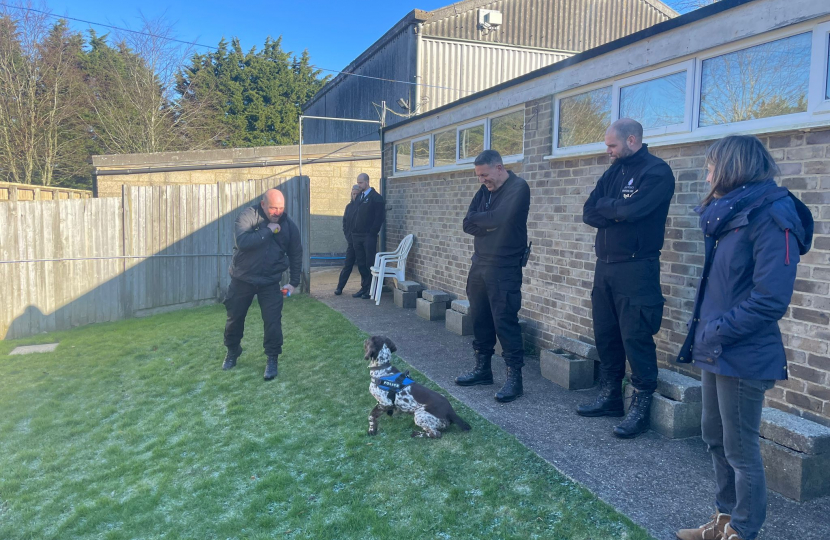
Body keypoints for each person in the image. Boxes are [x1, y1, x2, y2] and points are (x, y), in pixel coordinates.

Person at [675, 136, 812, 540]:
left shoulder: (772, 215)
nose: (707, 175)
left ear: (733, 167)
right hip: (715, 348)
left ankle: (744, 531)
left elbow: (770, 299)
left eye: (711, 166)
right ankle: (723, 521)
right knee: (714, 438)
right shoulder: (732, 216)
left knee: (740, 449)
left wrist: (715, 331)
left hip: (743, 351)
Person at [578, 118, 676, 438]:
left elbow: (638, 210)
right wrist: (617, 208)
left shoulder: (656, 172)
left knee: (636, 337)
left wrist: (615, 209)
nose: (608, 151)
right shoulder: (613, 172)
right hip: (604, 267)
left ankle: (640, 408)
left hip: (637, 269)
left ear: (631, 140)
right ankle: (610, 397)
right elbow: (589, 211)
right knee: (606, 335)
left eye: (612, 145)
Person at [455, 149, 531, 403]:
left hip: (505, 266)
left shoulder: (518, 188)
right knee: (479, 318)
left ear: (499, 168)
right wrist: (490, 223)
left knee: (505, 321)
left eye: (484, 174)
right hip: (480, 265)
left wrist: (487, 221)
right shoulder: (484, 191)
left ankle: (514, 379)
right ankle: (482, 370)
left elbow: (502, 217)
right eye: (478, 176)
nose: (481, 180)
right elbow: (467, 223)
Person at [221, 188, 303, 380]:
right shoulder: (248, 216)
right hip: (243, 279)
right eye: (273, 208)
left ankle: (272, 359)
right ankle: (233, 351)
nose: (277, 212)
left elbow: (296, 253)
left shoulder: (289, 226)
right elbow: (243, 241)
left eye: (281, 208)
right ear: (263, 204)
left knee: (273, 322)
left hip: (269, 282)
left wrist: (293, 283)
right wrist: (268, 231)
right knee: (234, 318)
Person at [351, 173, 385, 299]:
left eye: (360, 183)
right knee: (360, 263)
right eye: (358, 182)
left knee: (368, 262)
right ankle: (364, 287)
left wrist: (372, 232)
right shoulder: (359, 197)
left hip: (368, 236)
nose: (359, 185)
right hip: (357, 235)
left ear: (367, 182)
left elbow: (379, 217)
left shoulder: (376, 198)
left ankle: (371, 288)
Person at [334, 184, 361, 295]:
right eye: (353, 194)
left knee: (363, 265)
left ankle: (365, 288)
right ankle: (340, 287)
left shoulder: (363, 206)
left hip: (361, 241)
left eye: (356, 194)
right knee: (347, 265)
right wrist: (347, 235)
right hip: (351, 241)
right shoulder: (349, 207)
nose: (354, 196)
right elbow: (345, 223)